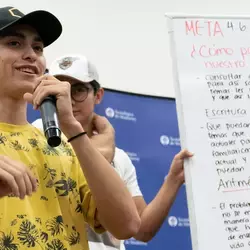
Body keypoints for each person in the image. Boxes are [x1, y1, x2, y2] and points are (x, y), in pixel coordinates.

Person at [0, 6, 141, 250]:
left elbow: (127, 225)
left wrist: (73, 128)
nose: (31, 55)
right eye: (14, 43)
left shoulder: (62, 145)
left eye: (38, 48)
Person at [32, 54, 193, 250]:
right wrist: (101, 153)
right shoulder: (37, 134)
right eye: (60, 89)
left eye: (78, 90)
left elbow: (141, 229)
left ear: (98, 95)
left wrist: (173, 180)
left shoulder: (120, 157)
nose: (68, 98)